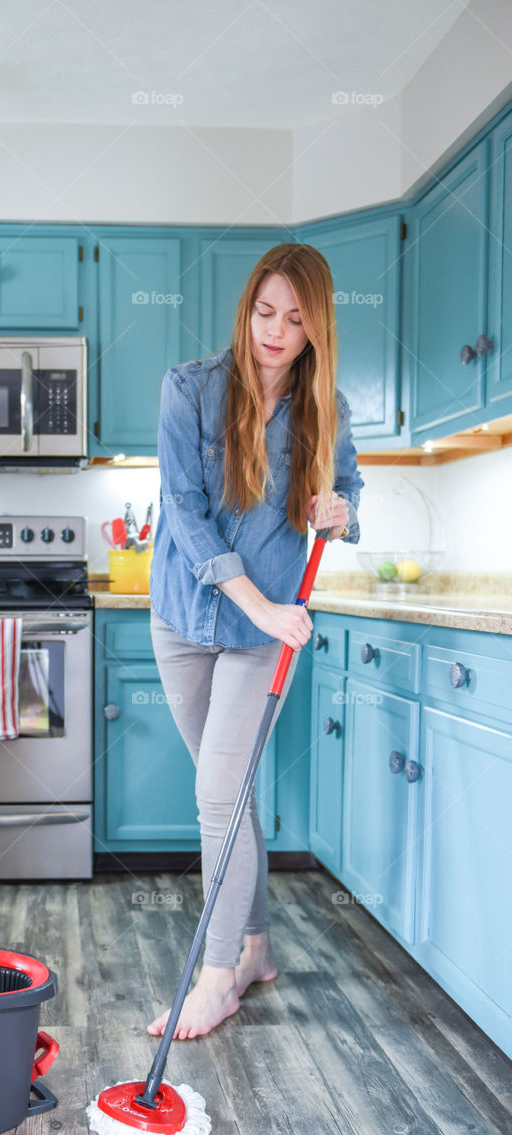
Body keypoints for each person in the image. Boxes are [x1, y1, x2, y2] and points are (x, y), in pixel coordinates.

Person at [147, 242, 364, 1040]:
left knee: (217, 796)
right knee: (229, 793)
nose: (275, 331)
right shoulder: (189, 390)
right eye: (265, 311)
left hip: (260, 634)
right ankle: (260, 946)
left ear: (317, 328)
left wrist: (337, 515)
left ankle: (216, 978)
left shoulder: (326, 411)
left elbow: (347, 493)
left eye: (296, 318)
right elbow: (185, 513)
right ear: (247, 309)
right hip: (183, 618)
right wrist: (259, 605)